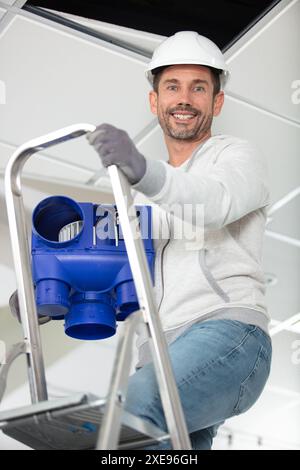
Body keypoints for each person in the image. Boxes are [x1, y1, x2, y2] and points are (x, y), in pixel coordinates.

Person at [87, 31, 272, 450]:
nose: (184, 98)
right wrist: (46, 293)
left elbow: (212, 203)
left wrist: (142, 169)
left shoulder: (237, 158)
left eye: (198, 87)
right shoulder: (139, 195)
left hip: (226, 333)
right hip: (157, 354)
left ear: (216, 102)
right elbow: (117, 270)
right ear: (155, 101)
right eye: (172, 87)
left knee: (132, 409)